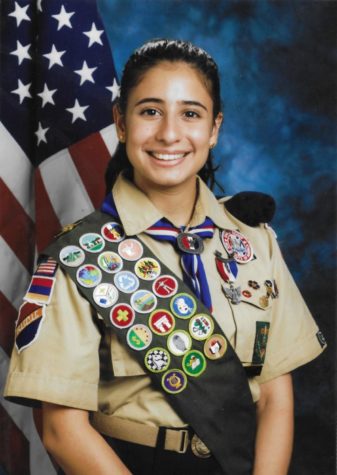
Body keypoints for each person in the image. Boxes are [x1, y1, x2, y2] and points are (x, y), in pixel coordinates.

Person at [4, 39, 326, 475]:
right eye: (150, 111)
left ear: (214, 129)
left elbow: (274, 396)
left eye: (191, 114)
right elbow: (63, 431)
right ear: (121, 123)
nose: (169, 134)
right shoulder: (79, 257)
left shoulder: (255, 241)